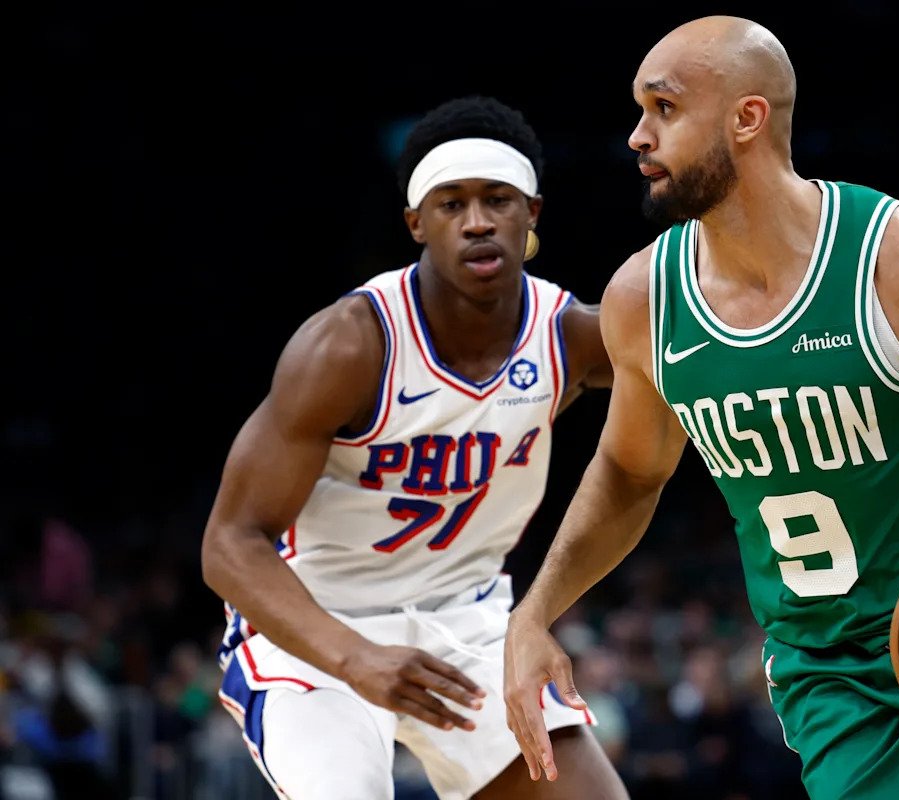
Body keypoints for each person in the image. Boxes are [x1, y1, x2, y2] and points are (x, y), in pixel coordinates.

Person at [503, 16, 899, 800]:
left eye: (664, 108)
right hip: (830, 676)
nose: (637, 136)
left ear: (747, 118)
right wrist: (535, 615)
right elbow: (628, 473)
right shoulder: (644, 299)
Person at [200, 95, 627, 800]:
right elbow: (228, 544)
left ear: (532, 214)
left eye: (497, 200)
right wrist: (354, 657)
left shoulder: (570, 337)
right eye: (452, 204)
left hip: (466, 618)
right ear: (416, 223)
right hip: (317, 627)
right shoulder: (348, 345)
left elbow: (706, 361)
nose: (477, 221)